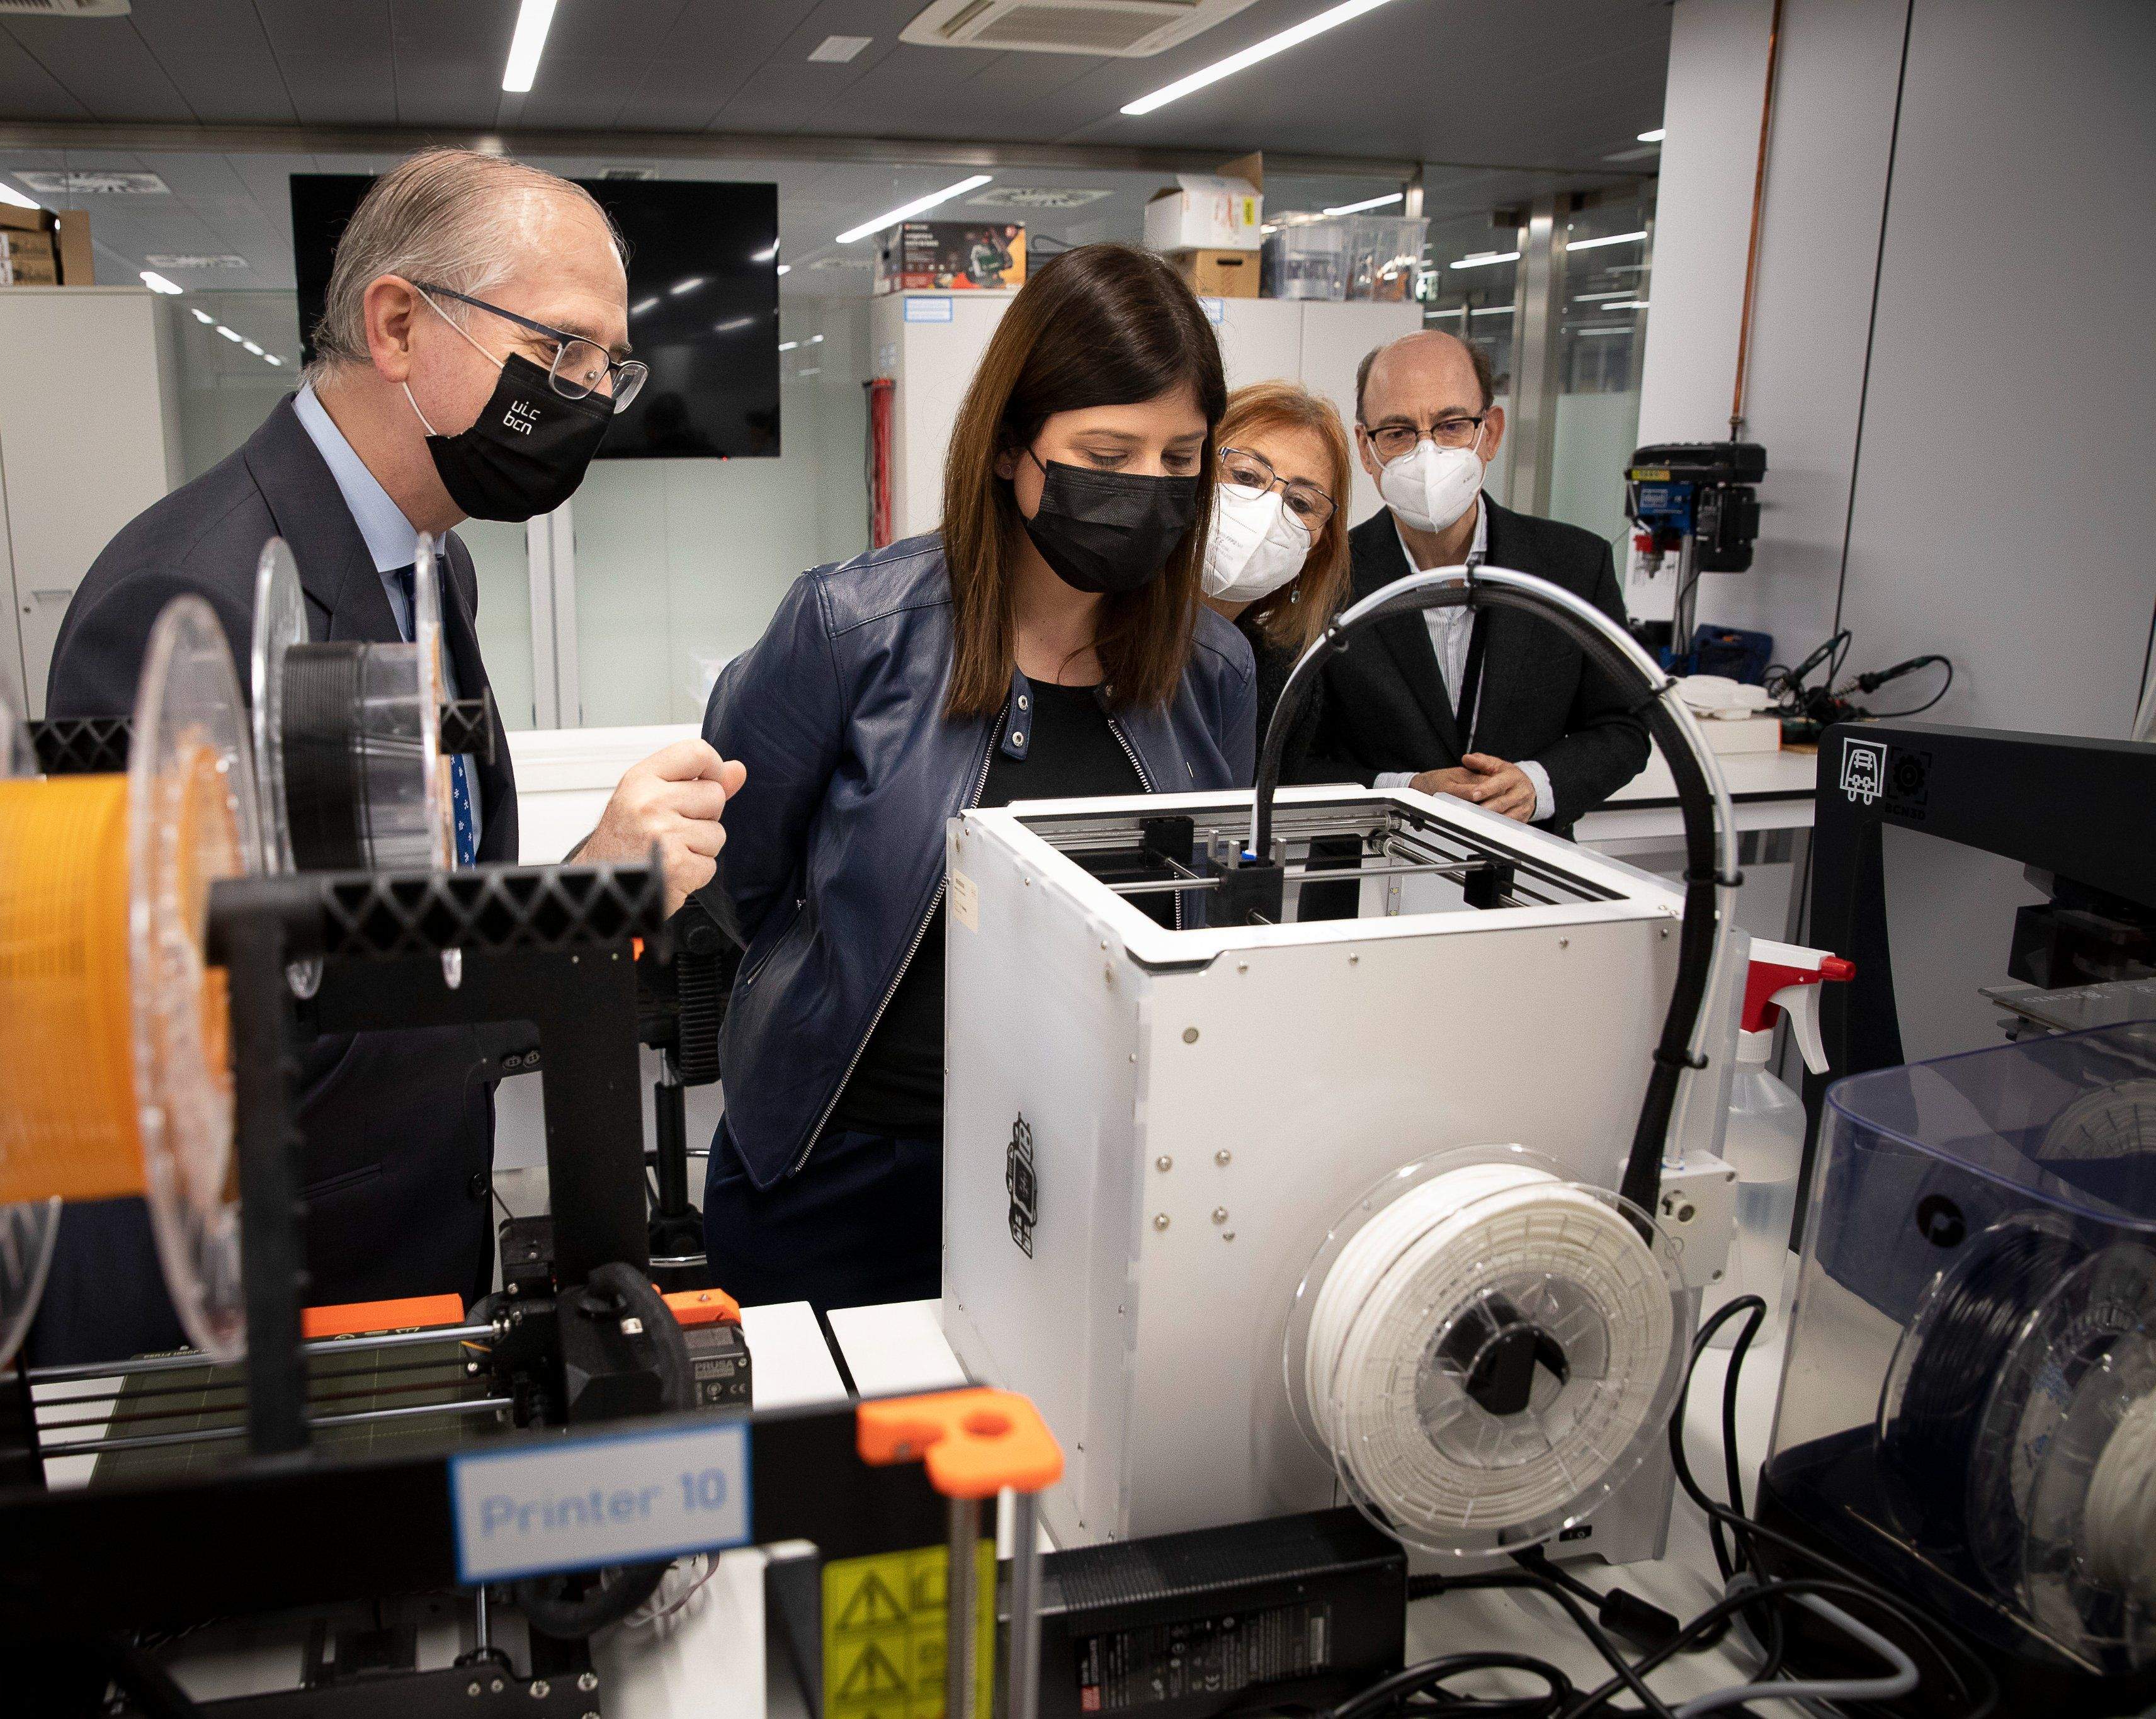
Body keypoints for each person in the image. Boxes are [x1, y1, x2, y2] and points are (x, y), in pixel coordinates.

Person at [35, 147, 743, 1363]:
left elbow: (396, 922)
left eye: (606, 369)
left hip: (400, 1240)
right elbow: (201, 1031)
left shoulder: (429, 561)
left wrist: (581, 889)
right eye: (560, 348)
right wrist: (576, 894)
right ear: (400, 325)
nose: (583, 394)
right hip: (240, 1304)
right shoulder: (190, 600)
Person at [698, 244, 1256, 1312]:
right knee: (840, 1473)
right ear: (1011, 449)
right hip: (844, 1166)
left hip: (1093, 1169)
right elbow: (742, 876)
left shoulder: (1209, 669)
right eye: (1108, 450)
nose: (1148, 490)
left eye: (1180, 460)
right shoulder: (852, 628)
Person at [1297, 330, 1647, 836]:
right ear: (1366, 450)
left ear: (1492, 431)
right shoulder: (1324, 576)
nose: (1428, 453)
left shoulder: (1572, 566)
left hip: (1523, 876)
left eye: (1452, 425)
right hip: (1368, 886)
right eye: (1398, 432)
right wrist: (1404, 792)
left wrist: (1535, 785)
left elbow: (1624, 728)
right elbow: (1290, 759)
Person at [1197, 379, 1354, 768]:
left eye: (1300, 502)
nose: (1268, 513)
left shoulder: (1286, 683)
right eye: (1246, 477)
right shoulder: (1094, 627)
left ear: (1320, 544)